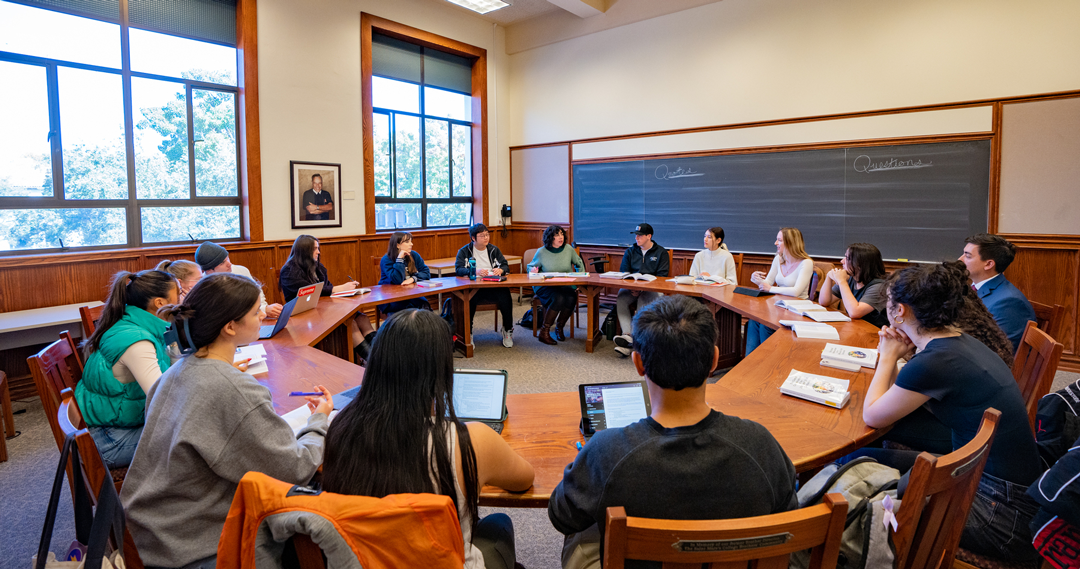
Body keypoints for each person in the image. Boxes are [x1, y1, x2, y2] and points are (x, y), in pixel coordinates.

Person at [548, 295, 798, 569]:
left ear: (638, 363)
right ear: (714, 360)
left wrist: (587, 465)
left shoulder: (606, 451)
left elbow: (562, 517)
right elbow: (788, 517)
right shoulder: (760, 444)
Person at [122, 273, 332, 569]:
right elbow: (296, 468)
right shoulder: (232, 388)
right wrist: (319, 420)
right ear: (230, 326)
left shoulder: (175, 372)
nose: (262, 315)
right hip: (200, 544)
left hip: (155, 529)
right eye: (255, 311)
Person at [856, 262, 1042, 563]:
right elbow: (890, 399)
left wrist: (887, 355)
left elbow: (872, 416)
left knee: (861, 490)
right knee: (859, 460)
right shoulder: (958, 342)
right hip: (1008, 491)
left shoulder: (934, 362)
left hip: (999, 513)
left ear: (900, 311)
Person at [323, 309, 534, 569]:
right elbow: (524, 478)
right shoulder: (469, 439)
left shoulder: (337, 426)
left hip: (367, 561)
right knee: (497, 525)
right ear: (441, 373)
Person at [75, 269, 178, 469]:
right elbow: (162, 398)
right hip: (109, 440)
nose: (183, 299)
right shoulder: (137, 342)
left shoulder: (135, 323)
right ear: (160, 303)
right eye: (180, 294)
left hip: (119, 423)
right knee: (202, 435)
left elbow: (172, 369)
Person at [279, 234, 378, 361]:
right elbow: (309, 291)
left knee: (363, 318)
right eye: (315, 248)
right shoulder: (289, 270)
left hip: (324, 309)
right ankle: (372, 362)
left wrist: (342, 290)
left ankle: (378, 355)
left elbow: (327, 287)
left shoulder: (318, 267)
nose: (318, 252)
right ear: (304, 250)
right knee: (350, 323)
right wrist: (338, 288)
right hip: (304, 315)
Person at [960, 233, 1037, 352]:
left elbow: (996, 350)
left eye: (968, 256)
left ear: (989, 264)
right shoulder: (973, 288)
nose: (960, 260)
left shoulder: (1008, 303)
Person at [745, 227, 814, 354]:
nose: (775, 243)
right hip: (779, 306)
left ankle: (768, 363)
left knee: (766, 325)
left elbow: (796, 291)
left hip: (796, 310)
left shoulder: (806, 263)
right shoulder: (778, 258)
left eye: (779, 240)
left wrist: (770, 288)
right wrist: (756, 280)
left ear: (790, 242)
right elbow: (768, 283)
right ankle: (749, 365)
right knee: (754, 320)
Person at [612, 223, 670, 357]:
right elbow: (624, 273)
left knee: (643, 300)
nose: (636, 238)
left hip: (652, 289)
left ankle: (630, 340)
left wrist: (643, 288)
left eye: (640, 235)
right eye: (636, 235)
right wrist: (633, 287)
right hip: (633, 288)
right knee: (621, 297)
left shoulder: (661, 252)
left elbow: (662, 277)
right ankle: (627, 335)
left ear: (649, 236)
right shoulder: (631, 251)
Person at [455, 223, 515, 348]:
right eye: (482, 236)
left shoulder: (494, 250)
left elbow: (505, 266)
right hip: (475, 286)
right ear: (473, 238)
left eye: (487, 234)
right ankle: (468, 333)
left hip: (493, 285)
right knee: (469, 300)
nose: (486, 238)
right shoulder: (464, 251)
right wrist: (474, 271)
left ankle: (507, 330)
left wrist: (501, 271)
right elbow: (459, 269)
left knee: (506, 297)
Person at [527, 225, 585, 346]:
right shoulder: (541, 252)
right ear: (550, 238)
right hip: (545, 286)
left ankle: (559, 327)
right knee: (558, 298)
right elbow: (530, 267)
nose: (561, 237)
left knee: (571, 297)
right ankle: (544, 331)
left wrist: (580, 279)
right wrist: (533, 270)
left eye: (562, 234)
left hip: (564, 284)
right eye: (557, 235)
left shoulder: (568, 249)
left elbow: (579, 263)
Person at [195, 241, 283, 318]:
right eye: (222, 263)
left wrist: (265, 309)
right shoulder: (203, 288)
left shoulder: (241, 271)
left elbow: (257, 293)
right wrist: (264, 310)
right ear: (209, 270)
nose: (229, 264)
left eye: (227, 258)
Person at [817, 242, 888, 328]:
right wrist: (829, 276)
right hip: (856, 328)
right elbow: (824, 302)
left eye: (847, 258)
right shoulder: (851, 279)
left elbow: (855, 312)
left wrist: (842, 282)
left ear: (860, 265)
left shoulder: (879, 286)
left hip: (875, 334)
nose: (842, 261)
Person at [378, 231, 433, 314]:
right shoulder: (386, 259)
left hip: (411, 294)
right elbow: (397, 280)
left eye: (411, 241)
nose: (411, 244)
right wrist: (399, 259)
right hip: (391, 297)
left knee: (424, 306)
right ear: (397, 245)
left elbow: (426, 272)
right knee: (410, 311)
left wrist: (412, 279)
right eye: (407, 242)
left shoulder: (414, 255)